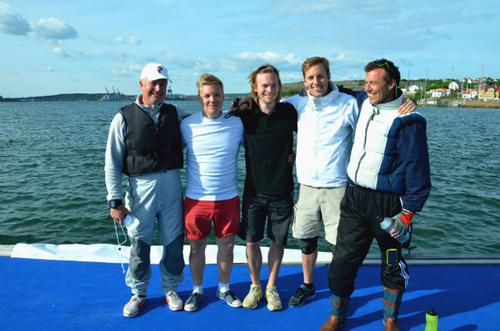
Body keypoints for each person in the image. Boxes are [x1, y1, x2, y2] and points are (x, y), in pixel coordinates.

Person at [283, 56, 417, 308]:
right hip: (307, 185)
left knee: (340, 248)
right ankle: (308, 285)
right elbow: (268, 111)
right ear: (304, 81)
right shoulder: (295, 103)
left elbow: (380, 111)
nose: (316, 81)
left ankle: (339, 297)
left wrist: (407, 100)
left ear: (329, 76)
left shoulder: (348, 103)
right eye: (311, 77)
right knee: (307, 240)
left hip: (338, 186)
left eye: (320, 76)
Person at [320, 59, 431, 331]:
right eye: (366, 82)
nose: (368, 87)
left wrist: (408, 213)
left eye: (374, 83)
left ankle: (390, 320)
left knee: (392, 263)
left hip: (390, 205)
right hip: (355, 199)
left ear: (391, 83)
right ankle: (337, 315)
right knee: (342, 261)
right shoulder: (363, 102)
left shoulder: (408, 121)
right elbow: (330, 87)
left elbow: (418, 169)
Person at [104, 63, 185, 318]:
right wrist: (114, 201)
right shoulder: (123, 117)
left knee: (174, 243)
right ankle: (138, 293)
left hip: (172, 186)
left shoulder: (177, 114)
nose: (159, 88)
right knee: (140, 245)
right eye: (154, 83)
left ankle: (171, 289)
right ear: (142, 84)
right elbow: (112, 160)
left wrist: (235, 113)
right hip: (141, 189)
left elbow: (208, 118)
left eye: (163, 84)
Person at [228, 64, 297, 311]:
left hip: (283, 191)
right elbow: (218, 121)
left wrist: (299, 154)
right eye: (264, 85)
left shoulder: (289, 112)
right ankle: (255, 286)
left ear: (279, 87)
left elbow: (315, 135)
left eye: (274, 84)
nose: (270, 89)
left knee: (278, 242)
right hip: (254, 192)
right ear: (255, 89)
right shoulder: (245, 116)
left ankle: (272, 287)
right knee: (251, 241)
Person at [180, 74, 244, 312]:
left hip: (228, 198)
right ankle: (197, 290)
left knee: (226, 247)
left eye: (216, 95)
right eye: (207, 95)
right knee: (196, 248)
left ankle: (223, 288)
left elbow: (259, 148)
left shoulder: (237, 123)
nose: (212, 99)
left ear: (223, 96)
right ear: (200, 98)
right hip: (196, 200)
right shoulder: (187, 125)